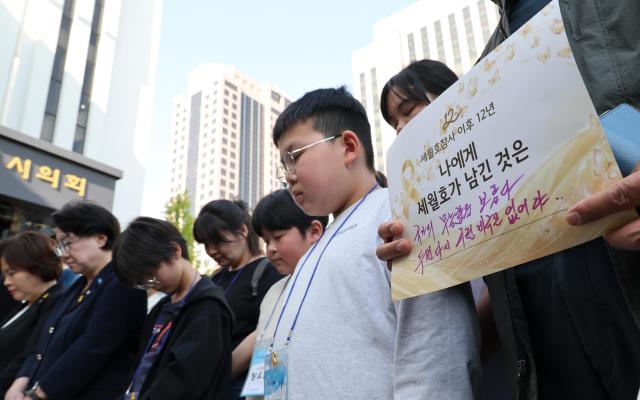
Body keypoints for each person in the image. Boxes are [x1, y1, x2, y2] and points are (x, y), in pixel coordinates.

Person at [378, 56, 640, 399]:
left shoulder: (531, 126)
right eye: (393, 122)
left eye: (408, 109)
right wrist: (421, 275)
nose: (400, 128)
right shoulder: (435, 209)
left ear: (452, 95)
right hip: (545, 364)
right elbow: (498, 292)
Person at [266, 86, 480, 399]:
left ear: (348, 147)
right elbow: (280, 347)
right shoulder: (313, 255)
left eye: (294, 156)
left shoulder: (397, 212)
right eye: (283, 164)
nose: (289, 175)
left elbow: (435, 350)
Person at [4, 202, 147, 400]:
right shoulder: (75, 287)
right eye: (59, 246)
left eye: (67, 243)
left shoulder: (123, 283)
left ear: (100, 238)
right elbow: (43, 343)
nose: (63, 255)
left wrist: (39, 394)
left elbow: (92, 349)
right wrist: (20, 382)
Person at [113, 217, 234, 400]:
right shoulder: (161, 308)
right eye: (142, 282)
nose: (150, 285)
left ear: (174, 250)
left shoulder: (208, 308)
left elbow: (185, 381)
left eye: (151, 276)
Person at [229, 189, 327, 397]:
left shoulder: (332, 283)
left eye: (278, 237)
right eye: (266, 240)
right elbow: (270, 355)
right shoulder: (274, 294)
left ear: (314, 232)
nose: (270, 249)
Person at [193, 199, 283, 399]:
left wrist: (222, 371)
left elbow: (265, 330)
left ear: (243, 231)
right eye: (206, 244)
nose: (212, 251)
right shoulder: (215, 278)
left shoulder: (268, 270)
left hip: (244, 383)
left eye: (217, 242)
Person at [0, 232, 63, 396]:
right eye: (4, 275)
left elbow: (27, 356)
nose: (6, 281)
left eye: (11, 273)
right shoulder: (26, 304)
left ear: (36, 265)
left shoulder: (55, 302)